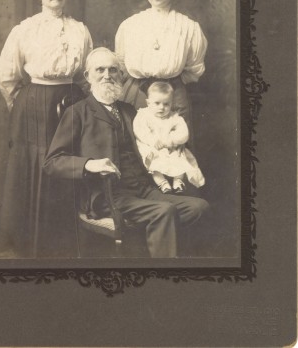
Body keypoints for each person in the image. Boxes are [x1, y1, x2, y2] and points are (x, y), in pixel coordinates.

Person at [43, 48, 209, 258]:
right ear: (87, 76)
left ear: (121, 75)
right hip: (108, 195)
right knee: (164, 211)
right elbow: (52, 162)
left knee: (198, 207)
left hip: (144, 188)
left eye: (113, 70)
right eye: (100, 69)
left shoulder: (130, 110)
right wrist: (89, 164)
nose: (107, 75)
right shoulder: (78, 112)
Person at [0, 0, 93, 257]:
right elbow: (7, 77)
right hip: (34, 104)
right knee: (36, 164)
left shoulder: (79, 30)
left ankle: (61, 241)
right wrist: (25, 107)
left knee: (65, 162)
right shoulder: (24, 30)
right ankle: (30, 243)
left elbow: (86, 73)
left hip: (71, 102)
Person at [115, 0, 208, 130]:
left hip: (173, 95)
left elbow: (194, 69)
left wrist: (170, 79)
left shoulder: (188, 27)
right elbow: (121, 63)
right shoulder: (130, 25)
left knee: (174, 144)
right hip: (138, 93)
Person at [133, 81, 205, 195]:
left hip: (169, 145)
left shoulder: (174, 117)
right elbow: (139, 130)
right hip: (152, 145)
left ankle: (178, 181)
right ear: (148, 102)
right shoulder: (144, 115)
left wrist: (171, 141)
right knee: (152, 160)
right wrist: (152, 141)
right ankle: (162, 183)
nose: (162, 107)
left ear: (171, 104)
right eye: (157, 103)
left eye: (166, 104)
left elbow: (184, 133)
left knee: (180, 156)